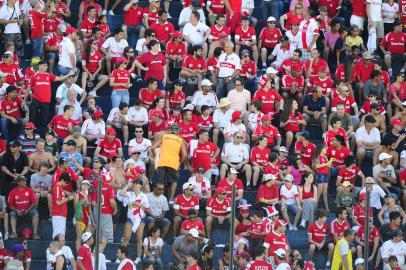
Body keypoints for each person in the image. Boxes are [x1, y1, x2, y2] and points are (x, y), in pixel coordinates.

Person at [152, 123, 187, 203]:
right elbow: (184, 155)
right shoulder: (180, 139)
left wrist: (155, 156)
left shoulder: (164, 136)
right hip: (174, 163)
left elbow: (153, 148)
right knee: (174, 181)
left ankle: (160, 198)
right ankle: (171, 199)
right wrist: (179, 163)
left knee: (160, 181)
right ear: (178, 131)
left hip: (162, 161)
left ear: (170, 130)